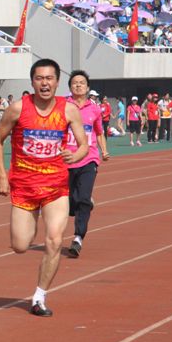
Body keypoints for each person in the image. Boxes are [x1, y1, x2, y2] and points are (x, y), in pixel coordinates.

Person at [0, 58, 88, 317]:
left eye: (49, 78)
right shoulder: (17, 109)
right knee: (20, 246)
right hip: (24, 186)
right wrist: (1, 175)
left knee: (55, 240)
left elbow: (83, 145)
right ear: (32, 82)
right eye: (39, 78)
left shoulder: (69, 110)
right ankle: (31, 222)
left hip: (56, 186)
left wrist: (75, 156)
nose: (44, 83)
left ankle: (39, 297)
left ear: (57, 82)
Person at [65, 71, 109, 258]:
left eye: (82, 83)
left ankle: (78, 238)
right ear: (70, 87)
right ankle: (83, 202)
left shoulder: (95, 109)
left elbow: (99, 132)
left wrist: (104, 150)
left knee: (82, 198)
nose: (78, 85)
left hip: (89, 159)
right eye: (75, 83)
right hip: (67, 159)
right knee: (69, 202)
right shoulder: (63, 106)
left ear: (88, 87)